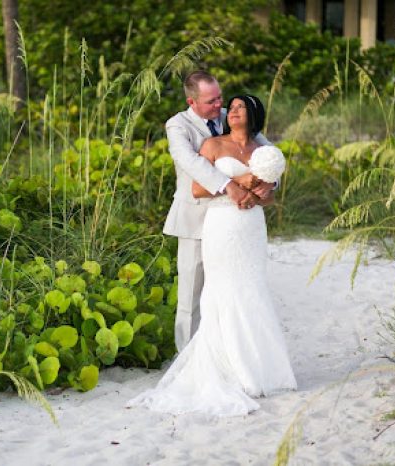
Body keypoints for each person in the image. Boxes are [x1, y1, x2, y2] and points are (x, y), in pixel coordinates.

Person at [129, 94, 296, 417]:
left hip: (251, 229)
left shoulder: (262, 151)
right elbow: (196, 189)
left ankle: (259, 370)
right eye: (229, 107)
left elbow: (269, 197)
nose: (231, 112)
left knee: (252, 290)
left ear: (253, 115)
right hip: (221, 225)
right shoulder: (213, 145)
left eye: (239, 108)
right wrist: (236, 181)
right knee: (220, 293)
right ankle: (224, 368)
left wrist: (265, 193)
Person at [163, 71, 272, 352]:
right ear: (192, 101)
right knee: (191, 295)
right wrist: (229, 185)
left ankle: (225, 353)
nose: (219, 105)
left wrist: (271, 181)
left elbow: (269, 152)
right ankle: (186, 358)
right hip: (195, 218)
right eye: (212, 101)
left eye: (220, 97)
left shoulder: (231, 115)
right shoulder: (178, 125)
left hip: (233, 224)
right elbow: (190, 162)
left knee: (228, 291)